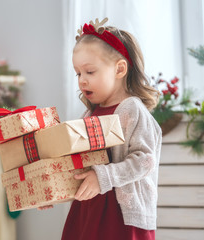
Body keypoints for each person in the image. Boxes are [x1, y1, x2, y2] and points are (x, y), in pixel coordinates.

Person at [60, 18, 162, 240]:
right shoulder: (89, 115)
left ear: (120, 69)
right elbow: (77, 163)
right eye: (78, 73)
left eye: (89, 72)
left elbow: (145, 160)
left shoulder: (132, 110)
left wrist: (102, 177)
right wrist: (54, 192)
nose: (81, 81)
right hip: (88, 211)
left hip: (121, 217)